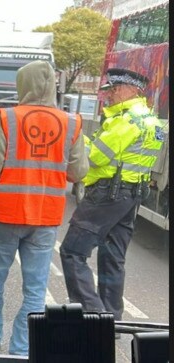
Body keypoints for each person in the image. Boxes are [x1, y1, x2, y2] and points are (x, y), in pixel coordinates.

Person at [0, 60, 88, 355]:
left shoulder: (7, 118)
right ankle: (22, 348)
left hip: (6, 213)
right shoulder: (72, 123)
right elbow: (78, 172)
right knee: (36, 289)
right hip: (46, 217)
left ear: (22, 84)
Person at [59, 68, 165, 328]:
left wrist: (76, 138)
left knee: (72, 251)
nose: (110, 95)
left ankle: (95, 316)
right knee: (112, 257)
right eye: (109, 90)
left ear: (131, 89)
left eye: (114, 89)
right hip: (130, 196)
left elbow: (95, 156)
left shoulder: (126, 121)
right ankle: (112, 319)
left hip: (107, 194)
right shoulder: (150, 119)